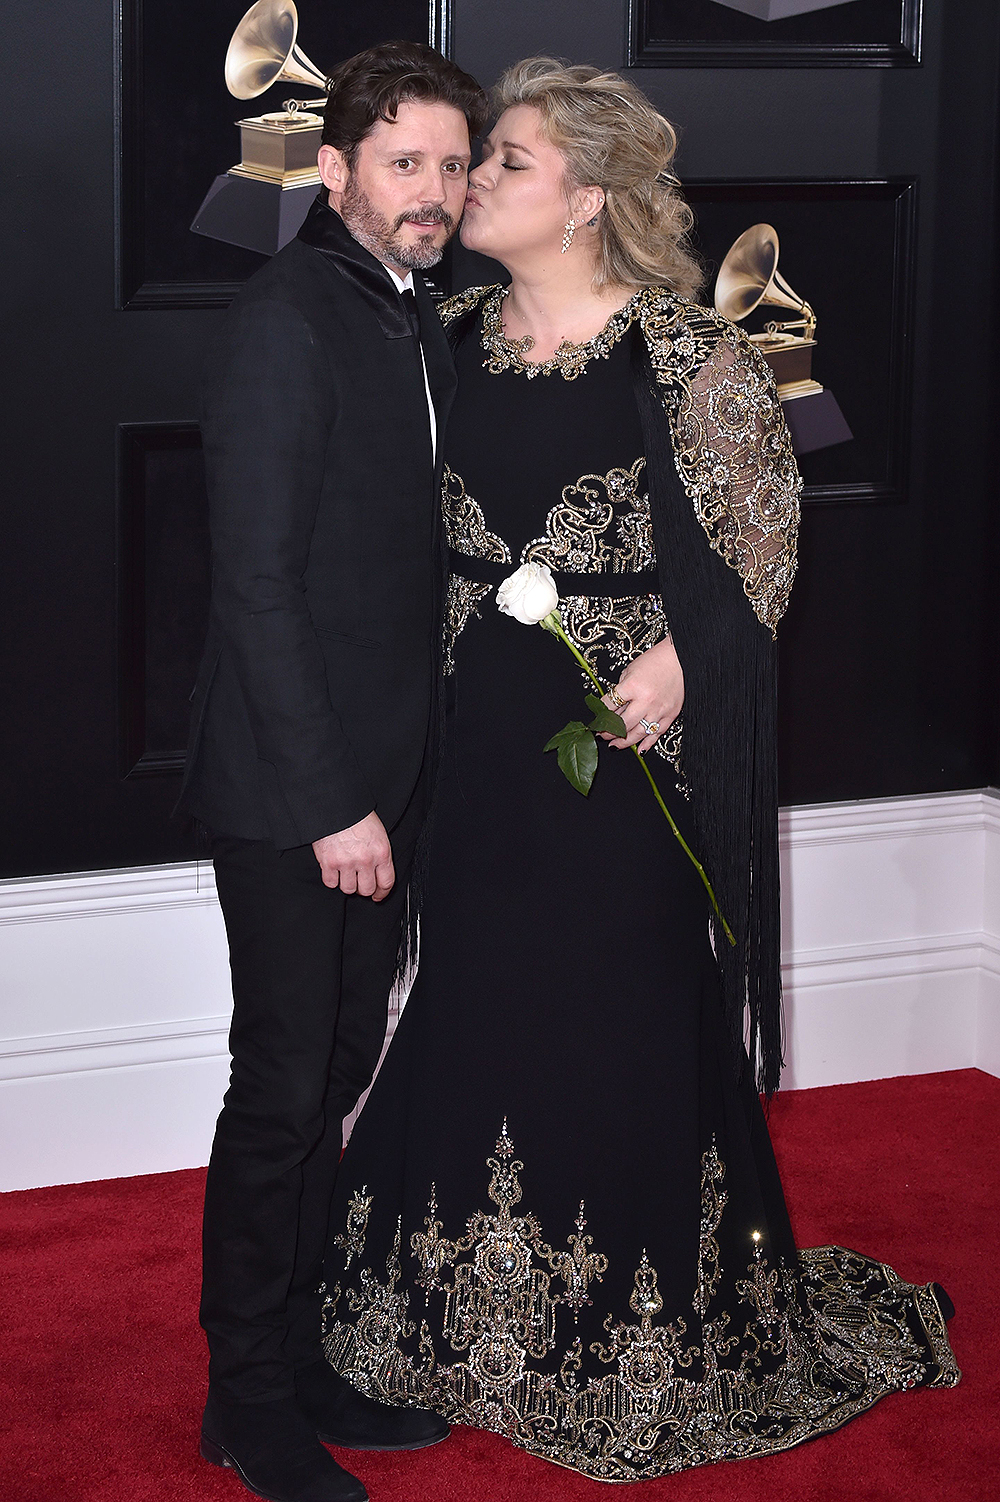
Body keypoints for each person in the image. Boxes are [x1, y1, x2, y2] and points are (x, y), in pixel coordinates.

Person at [318, 58, 960, 1484]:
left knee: (614, 1003)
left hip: (621, 746)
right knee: (477, 988)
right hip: (474, 733)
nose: (476, 179)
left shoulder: (686, 351)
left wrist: (680, 660)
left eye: (509, 161)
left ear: (590, 198)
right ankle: (453, 1318)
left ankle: (640, 1330)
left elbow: (764, 539)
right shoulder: (451, 339)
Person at [177, 40, 488, 1502]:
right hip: (301, 795)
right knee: (285, 1086)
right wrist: (328, 802)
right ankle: (244, 1396)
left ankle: (297, 1357)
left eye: (452, 163)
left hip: (388, 777)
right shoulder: (287, 321)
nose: (433, 192)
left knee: (340, 1068)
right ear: (339, 170)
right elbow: (254, 589)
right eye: (406, 163)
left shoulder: (412, 318)